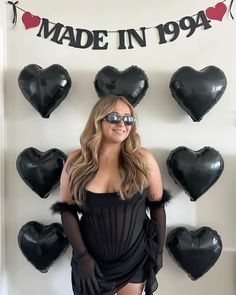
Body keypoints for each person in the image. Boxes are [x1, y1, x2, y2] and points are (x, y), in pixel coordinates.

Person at [51, 95, 170, 295]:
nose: (122, 124)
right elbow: (68, 211)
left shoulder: (144, 160)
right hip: (92, 261)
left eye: (128, 119)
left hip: (134, 258)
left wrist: (158, 251)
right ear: (98, 120)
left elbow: (157, 206)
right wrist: (82, 257)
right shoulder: (76, 161)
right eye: (114, 117)